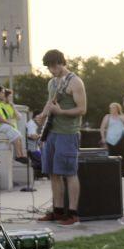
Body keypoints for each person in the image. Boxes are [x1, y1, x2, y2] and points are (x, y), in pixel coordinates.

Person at [35, 50, 87, 226]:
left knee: (69, 173)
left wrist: (62, 112)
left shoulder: (75, 82)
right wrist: (42, 114)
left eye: (54, 66)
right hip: (52, 133)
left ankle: (73, 214)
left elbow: (82, 109)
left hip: (68, 133)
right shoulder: (52, 83)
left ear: (61, 62)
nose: (52, 69)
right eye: (49, 67)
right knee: (53, 173)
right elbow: (51, 103)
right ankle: (57, 211)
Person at [0, 86, 28, 163]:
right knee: (16, 135)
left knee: (18, 135)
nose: (4, 94)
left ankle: (21, 155)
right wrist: (9, 123)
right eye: (3, 92)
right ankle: (18, 156)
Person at [99, 102, 124, 179]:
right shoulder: (107, 117)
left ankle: (123, 173)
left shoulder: (122, 116)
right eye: (110, 108)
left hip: (122, 137)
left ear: (117, 109)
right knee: (112, 155)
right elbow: (102, 128)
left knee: (123, 155)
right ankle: (112, 172)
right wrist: (103, 138)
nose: (112, 109)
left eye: (113, 108)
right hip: (110, 139)